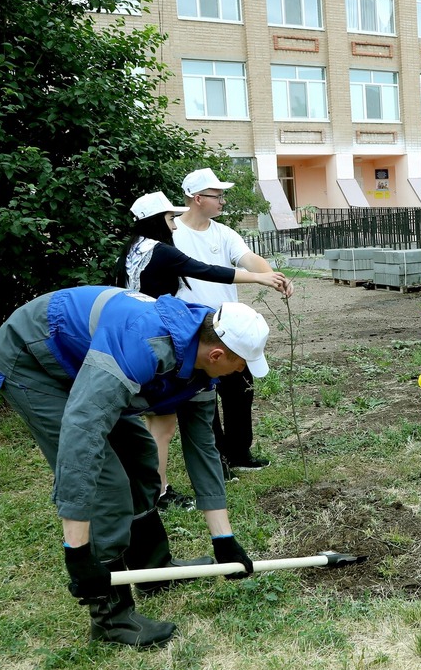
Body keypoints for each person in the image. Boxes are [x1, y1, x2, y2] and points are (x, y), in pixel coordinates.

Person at [0, 287, 264, 647]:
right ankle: (110, 618)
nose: (240, 371)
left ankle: (153, 569)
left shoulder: (201, 365)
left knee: (140, 456)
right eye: (239, 364)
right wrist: (79, 554)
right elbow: (82, 435)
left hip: (86, 358)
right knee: (109, 484)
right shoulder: (143, 345)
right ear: (216, 354)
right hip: (33, 360)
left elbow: (203, 449)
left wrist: (223, 539)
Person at [114, 192, 290, 510]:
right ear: (157, 221)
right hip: (160, 340)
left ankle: (155, 489)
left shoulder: (131, 251)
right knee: (163, 425)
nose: (174, 225)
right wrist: (260, 278)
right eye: (169, 219)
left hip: (137, 335)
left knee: (159, 423)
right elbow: (207, 270)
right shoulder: (161, 251)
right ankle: (157, 493)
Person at [171, 168, 294, 477]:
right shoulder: (173, 234)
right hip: (195, 331)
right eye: (218, 196)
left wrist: (271, 276)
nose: (222, 201)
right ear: (198, 199)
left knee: (240, 390)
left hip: (230, 327)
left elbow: (249, 259)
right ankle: (218, 462)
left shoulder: (223, 233)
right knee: (202, 398)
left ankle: (239, 452)